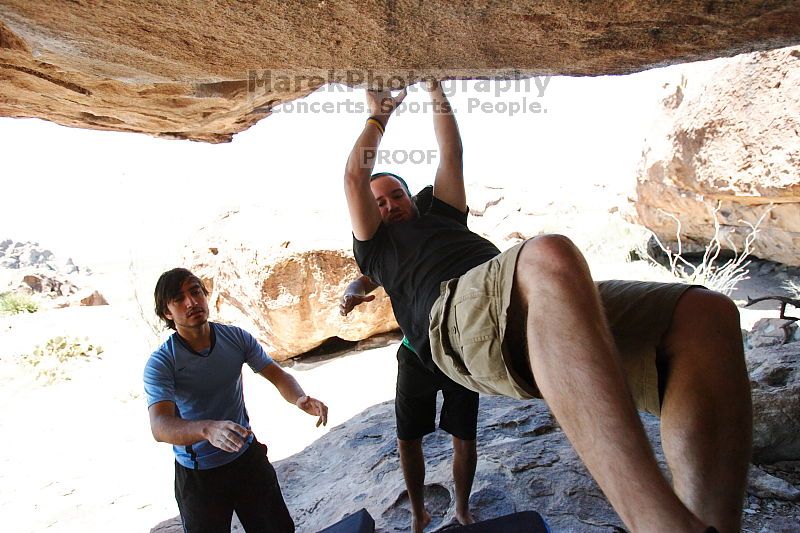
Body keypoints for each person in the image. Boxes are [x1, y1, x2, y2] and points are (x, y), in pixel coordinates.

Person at [342, 81, 751, 533]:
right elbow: (355, 178)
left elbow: (451, 152)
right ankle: (660, 525)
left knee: (705, 315)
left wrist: (436, 89)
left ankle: (715, 523)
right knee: (549, 253)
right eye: (379, 204)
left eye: (396, 195)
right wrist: (379, 116)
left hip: (519, 302)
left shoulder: (441, 215)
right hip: (453, 320)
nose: (389, 205)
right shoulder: (375, 249)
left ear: (413, 200)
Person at [144, 267, 328, 533]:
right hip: (198, 473)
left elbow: (276, 374)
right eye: (178, 298)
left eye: (195, 292)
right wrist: (206, 429)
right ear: (167, 313)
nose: (191, 302)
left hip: (246, 457)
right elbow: (160, 426)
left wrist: (299, 398)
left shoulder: (235, 338)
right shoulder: (162, 362)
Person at [340, 239, 478, 532]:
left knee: (464, 436)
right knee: (408, 438)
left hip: (457, 352)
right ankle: (419, 513)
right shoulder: (396, 250)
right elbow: (367, 279)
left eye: (397, 197)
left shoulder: (443, 235)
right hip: (414, 354)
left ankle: (462, 509)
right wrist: (353, 290)